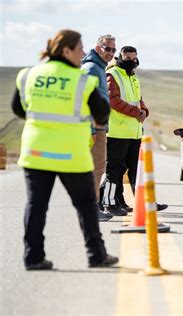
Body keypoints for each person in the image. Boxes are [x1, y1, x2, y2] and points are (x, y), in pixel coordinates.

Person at [11, 29, 118, 270]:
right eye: (80, 48)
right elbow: (102, 113)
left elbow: (19, 109)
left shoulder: (28, 75)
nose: (83, 53)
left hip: (36, 153)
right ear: (66, 50)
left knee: (36, 206)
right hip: (71, 154)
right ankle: (96, 255)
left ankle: (33, 257)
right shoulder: (83, 80)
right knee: (86, 205)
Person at [100, 46, 168, 214]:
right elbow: (113, 100)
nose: (131, 61)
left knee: (135, 170)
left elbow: (138, 99)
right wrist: (136, 112)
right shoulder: (113, 74)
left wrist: (144, 111)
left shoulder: (132, 76)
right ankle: (109, 203)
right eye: (127, 57)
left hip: (135, 131)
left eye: (133, 58)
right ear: (119, 57)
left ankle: (142, 202)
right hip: (117, 132)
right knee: (114, 170)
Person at [81, 34, 116, 222]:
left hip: (99, 126)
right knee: (96, 168)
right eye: (107, 48)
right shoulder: (92, 68)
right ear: (97, 48)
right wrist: (92, 130)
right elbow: (83, 99)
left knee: (97, 168)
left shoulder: (99, 68)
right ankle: (91, 210)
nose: (110, 53)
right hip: (94, 127)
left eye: (113, 50)